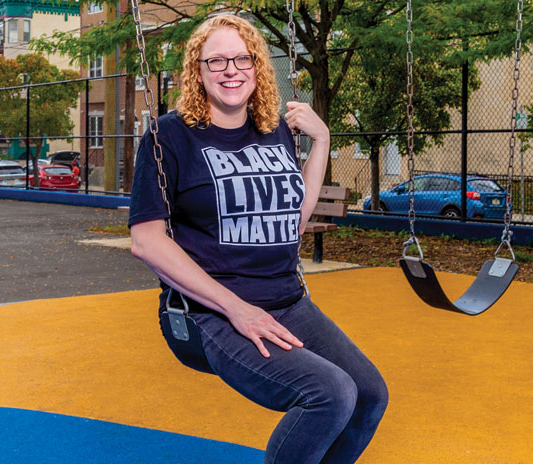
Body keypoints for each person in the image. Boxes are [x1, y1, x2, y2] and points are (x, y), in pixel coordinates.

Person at [128, 14, 387, 464]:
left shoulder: (275, 130)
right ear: (198, 71)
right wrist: (238, 310)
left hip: (287, 300)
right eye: (217, 61)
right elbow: (147, 242)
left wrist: (321, 140)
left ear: (258, 66)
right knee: (329, 394)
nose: (231, 70)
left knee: (368, 394)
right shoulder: (167, 137)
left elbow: (295, 221)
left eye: (242, 59)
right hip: (212, 312)